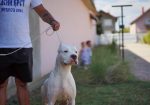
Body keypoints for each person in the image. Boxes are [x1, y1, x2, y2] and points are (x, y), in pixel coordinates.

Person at [0, 0, 60, 105]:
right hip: (1, 47)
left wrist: (52, 21)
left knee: (22, 84)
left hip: (23, 47)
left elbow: (41, 11)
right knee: (0, 85)